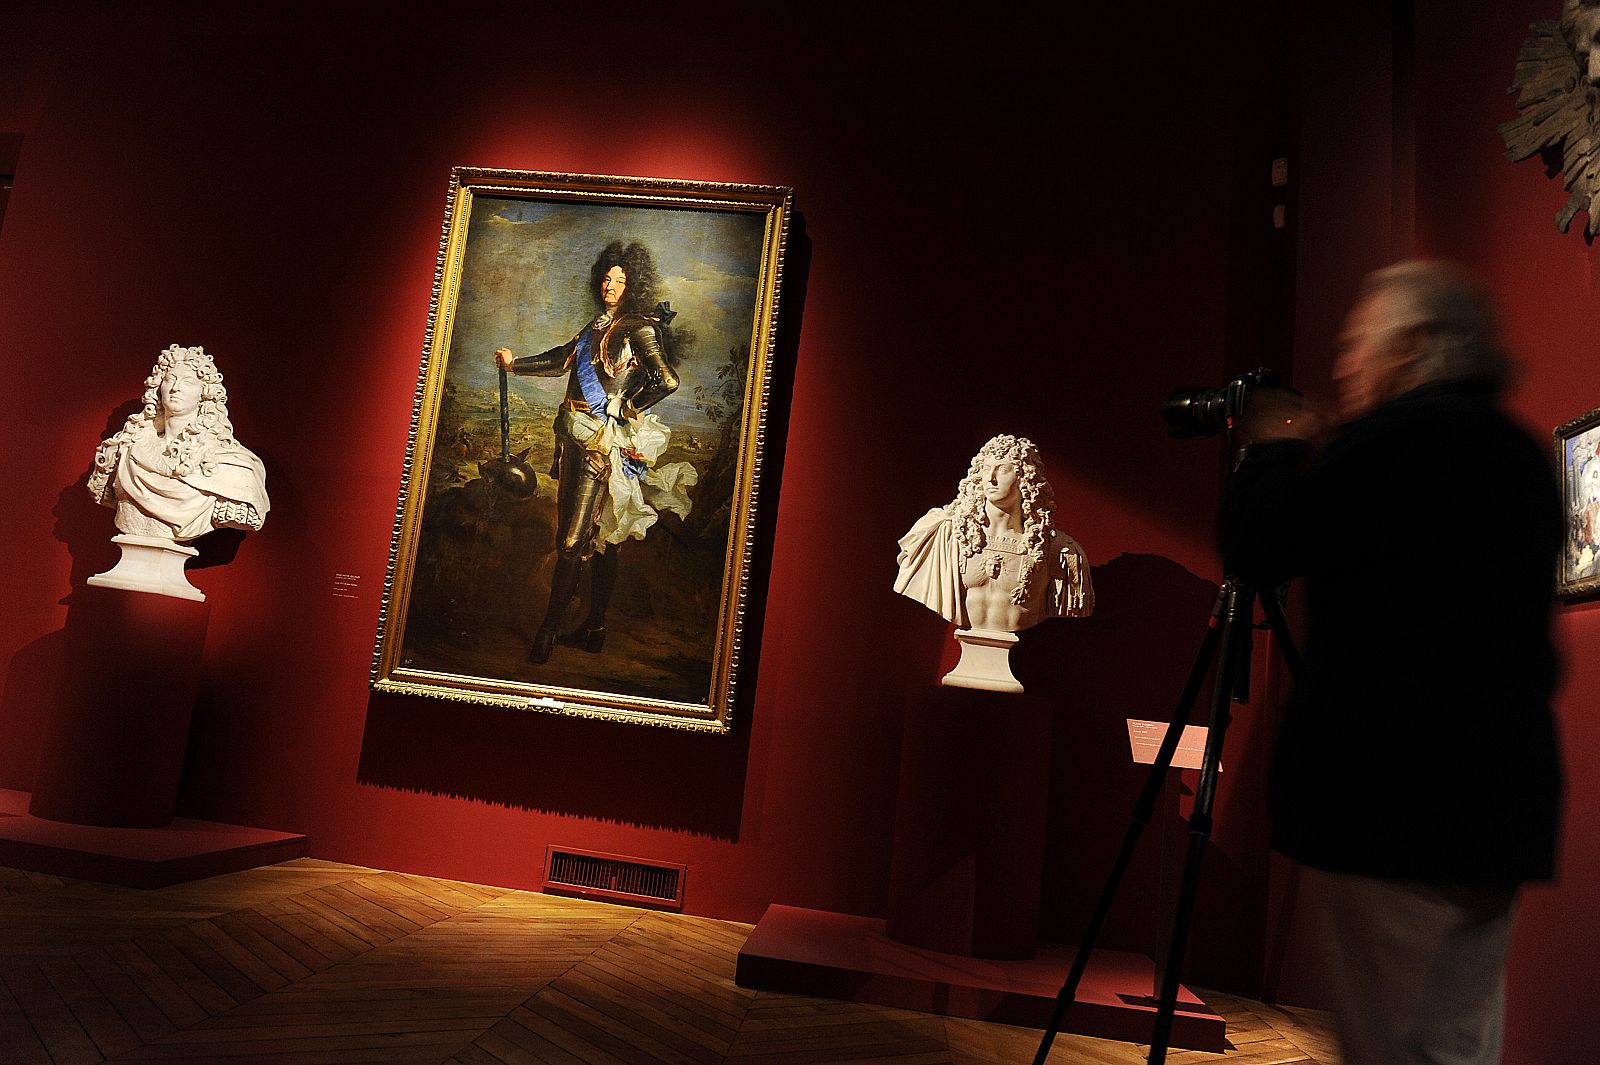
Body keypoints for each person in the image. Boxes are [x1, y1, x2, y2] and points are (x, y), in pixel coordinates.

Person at [1221, 261, 1563, 1065]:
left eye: (1357, 345)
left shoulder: (1395, 443)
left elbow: (1257, 544)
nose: (1343, 367)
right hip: (1497, 808)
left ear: (1412, 346)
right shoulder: (1517, 454)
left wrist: (1269, 447)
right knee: (1454, 1042)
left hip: (1393, 801)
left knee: (1391, 1044)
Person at [494, 240, 694, 664]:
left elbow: (667, 381)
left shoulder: (639, 327)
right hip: (572, 436)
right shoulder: (594, 327)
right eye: (606, 277)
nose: (610, 285)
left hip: (599, 442)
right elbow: (561, 360)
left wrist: (628, 406)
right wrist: (515, 364)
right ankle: (595, 627)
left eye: (620, 280)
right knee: (598, 540)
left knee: (573, 541)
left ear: (632, 286)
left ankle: (547, 631)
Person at [894, 433, 1093, 633]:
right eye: (987, 469)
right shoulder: (944, 535)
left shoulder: (1058, 551)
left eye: (1003, 470)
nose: (991, 479)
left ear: (1025, 479)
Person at [88, 343, 269, 542]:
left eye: (188, 382)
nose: (175, 388)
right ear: (158, 389)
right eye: (169, 380)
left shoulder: (229, 464)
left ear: (204, 394)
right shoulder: (125, 449)